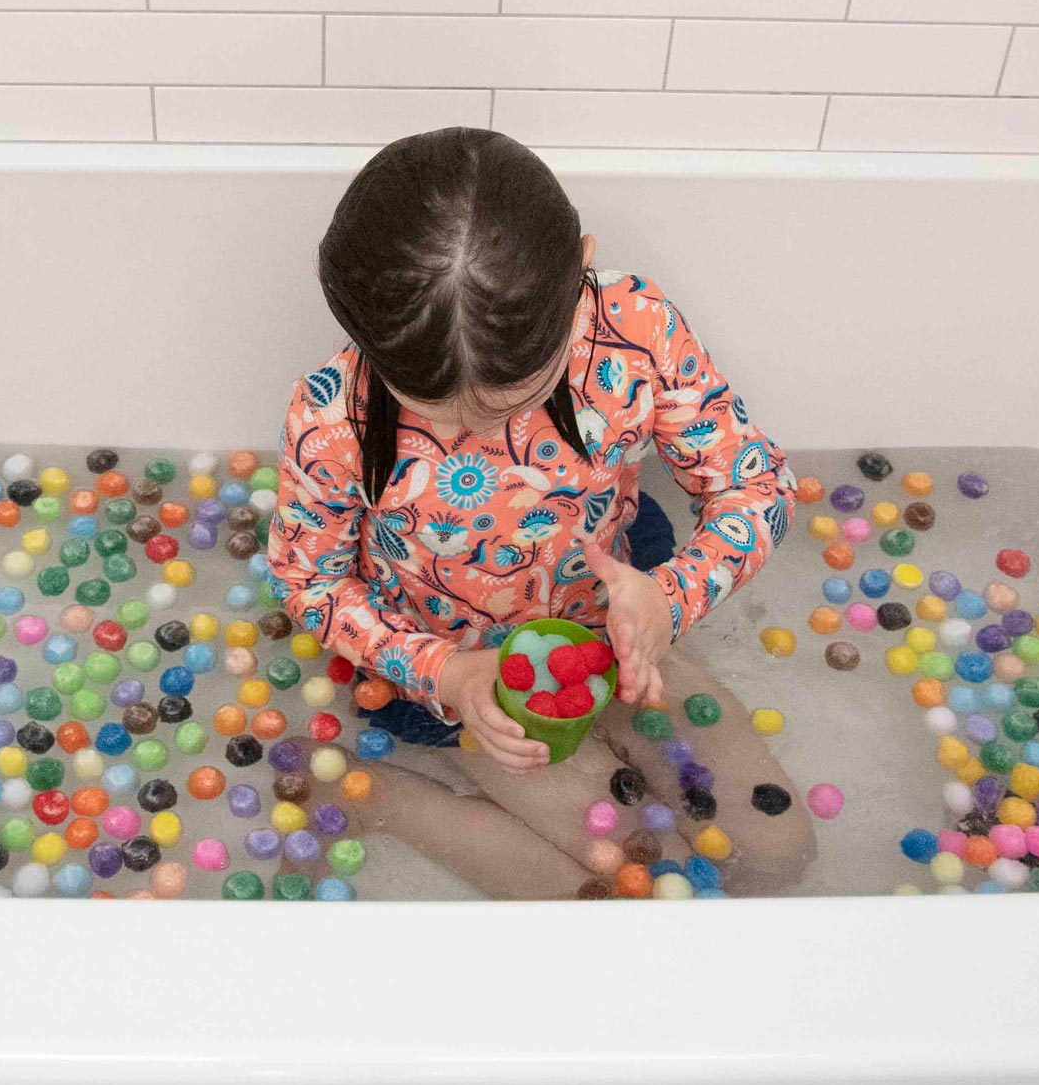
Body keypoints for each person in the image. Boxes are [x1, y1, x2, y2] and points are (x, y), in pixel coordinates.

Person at [268, 127, 813, 898]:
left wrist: (669, 595)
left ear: (581, 271)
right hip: (454, 672)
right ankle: (385, 798)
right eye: (439, 415)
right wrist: (445, 674)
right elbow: (307, 579)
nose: (481, 438)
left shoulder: (636, 330)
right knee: (618, 887)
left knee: (777, 852)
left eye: (515, 402)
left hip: (611, 634)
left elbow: (755, 486)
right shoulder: (334, 418)